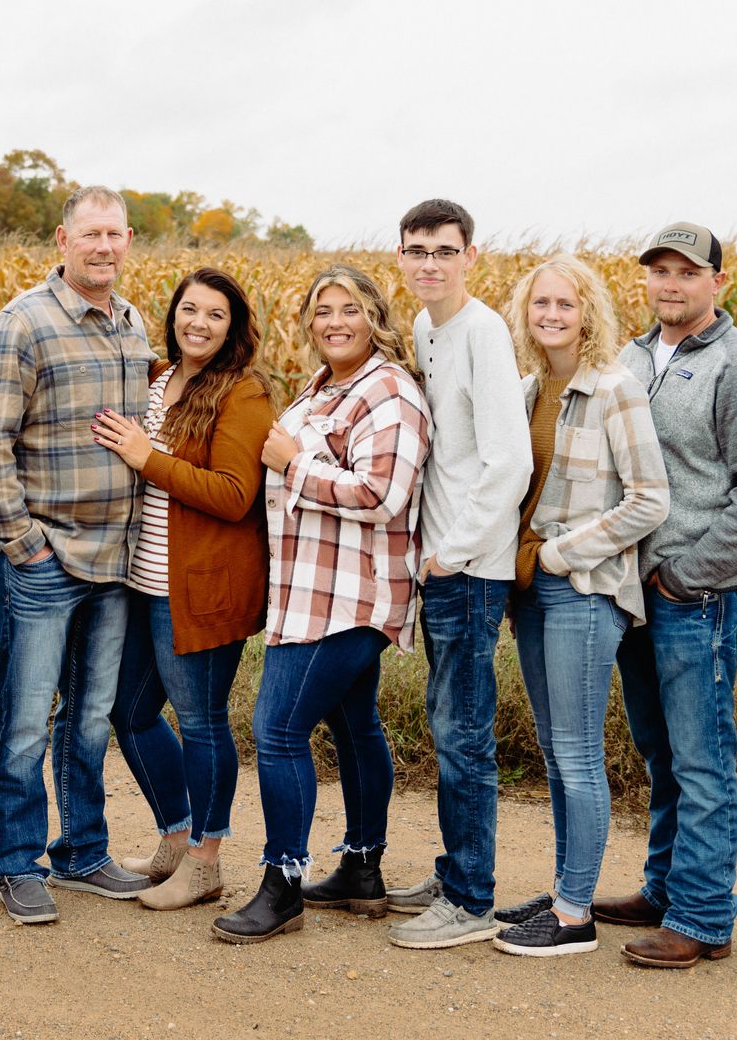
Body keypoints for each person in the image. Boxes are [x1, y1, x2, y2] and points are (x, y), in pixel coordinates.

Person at [212, 265, 431, 945]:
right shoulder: (325, 387)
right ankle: (362, 869)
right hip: (310, 588)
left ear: (375, 317)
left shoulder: (389, 392)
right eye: (321, 310)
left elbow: (383, 493)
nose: (333, 321)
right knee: (354, 722)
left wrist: (291, 464)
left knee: (276, 729)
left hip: (349, 595)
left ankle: (283, 885)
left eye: (349, 309)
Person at [0, 186, 157, 925]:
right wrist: (23, 546)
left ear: (128, 240)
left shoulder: (132, 324)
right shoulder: (24, 324)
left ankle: (81, 849)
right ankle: (16, 860)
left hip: (114, 562)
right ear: (62, 239)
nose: (103, 246)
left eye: (114, 234)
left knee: (91, 718)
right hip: (45, 560)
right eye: (90, 234)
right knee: (23, 719)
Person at [597, 222, 737, 969]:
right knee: (661, 751)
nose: (670, 284)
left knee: (703, 757)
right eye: (659, 271)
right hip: (633, 592)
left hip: (694, 595)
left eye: (686, 271)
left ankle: (704, 916)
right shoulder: (634, 355)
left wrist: (686, 572)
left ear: (717, 282)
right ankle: (665, 888)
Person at [490, 256, 669, 957]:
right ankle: (570, 886)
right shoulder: (531, 387)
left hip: (584, 588)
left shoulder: (615, 387)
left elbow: (650, 498)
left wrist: (563, 555)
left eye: (566, 303)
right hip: (532, 585)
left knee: (575, 750)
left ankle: (573, 916)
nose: (552, 314)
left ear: (588, 311)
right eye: (541, 304)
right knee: (552, 750)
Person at [94, 268, 273, 911]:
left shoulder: (242, 393)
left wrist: (150, 459)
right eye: (188, 309)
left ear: (234, 326)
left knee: (200, 721)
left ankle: (207, 860)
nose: (198, 323)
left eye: (215, 314)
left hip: (199, 587)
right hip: (143, 578)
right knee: (130, 711)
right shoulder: (160, 379)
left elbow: (233, 494)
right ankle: (175, 837)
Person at [381, 200, 534, 950]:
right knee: (451, 728)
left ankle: (471, 899)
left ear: (472, 254)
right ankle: (454, 871)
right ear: (402, 256)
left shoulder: (483, 332)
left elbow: (511, 460)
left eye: (444, 250)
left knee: (463, 734)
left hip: (469, 569)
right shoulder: (424, 326)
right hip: (440, 564)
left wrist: (454, 550)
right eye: (417, 250)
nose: (430, 263)